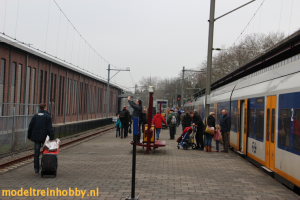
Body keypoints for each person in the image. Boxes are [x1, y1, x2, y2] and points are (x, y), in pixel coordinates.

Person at [27, 103, 54, 173]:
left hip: (36, 137)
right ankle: (44, 166)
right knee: (45, 152)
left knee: (36, 153)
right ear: (45, 108)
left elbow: (30, 127)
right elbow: (49, 128)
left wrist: (29, 136)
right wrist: (52, 137)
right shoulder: (47, 116)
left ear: (39, 108)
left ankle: (36, 169)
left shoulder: (35, 116)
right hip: (44, 138)